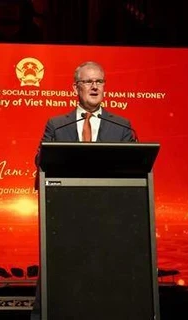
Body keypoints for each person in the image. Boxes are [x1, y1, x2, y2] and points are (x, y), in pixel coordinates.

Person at [30, 61, 136, 320]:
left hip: (108, 219)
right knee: (60, 285)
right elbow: (41, 161)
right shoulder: (57, 125)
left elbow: (133, 166)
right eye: (88, 81)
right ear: (75, 87)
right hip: (67, 219)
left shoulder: (122, 126)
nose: (95, 86)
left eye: (99, 81)